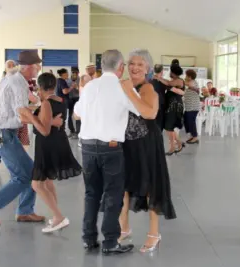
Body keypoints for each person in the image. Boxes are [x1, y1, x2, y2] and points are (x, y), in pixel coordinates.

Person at [0, 50, 46, 226]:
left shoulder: (16, 79)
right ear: (29, 66)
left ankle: (25, 211)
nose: (39, 69)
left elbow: (20, 109)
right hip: (2, 134)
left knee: (26, 173)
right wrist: (42, 124)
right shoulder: (18, 82)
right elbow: (21, 113)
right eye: (37, 66)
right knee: (27, 175)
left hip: (4, 133)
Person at [74, 49, 135, 255]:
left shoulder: (90, 86)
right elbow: (142, 110)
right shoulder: (122, 88)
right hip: (111, 148)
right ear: (121, 67)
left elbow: (77, 113)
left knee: (91, 193)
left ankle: (88, 238)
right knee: (113, 195)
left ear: (101, 67)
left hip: (88, 147)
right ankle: (110, 241)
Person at [118, 49, 176, 253]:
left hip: (146, 143)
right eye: (131, 63)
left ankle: (154, 233)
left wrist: (128, 91)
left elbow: (150, 113)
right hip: (126, 142)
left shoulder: (148, 88)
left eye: (140, 65)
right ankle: (123, 227)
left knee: (151, 187)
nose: (134, 67)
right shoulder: (123, 84)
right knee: (123, 184)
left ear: (148, 69)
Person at [18, 73, 82, 233]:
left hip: (47, 145)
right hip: (58, 143)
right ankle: (56, 216)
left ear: (40, 87)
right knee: (47, 182)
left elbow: (44, 130)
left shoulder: (46, 103)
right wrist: (32, 117)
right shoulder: (60, 100)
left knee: (36, 184)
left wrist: (31, 118)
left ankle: (59, 217)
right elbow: (46, 121)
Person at [154, 62, 185, 155]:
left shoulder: (178, 81)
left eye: (171, 72)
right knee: (168, 127)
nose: (169, 73)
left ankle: (173, 147)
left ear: (174, 73)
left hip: (174, 106)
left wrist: (158, 77)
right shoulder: (176, 80)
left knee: (169, 127)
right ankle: (179, 144)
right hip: (171, 106)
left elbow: (168, 83)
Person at [183, 69, 201, 144]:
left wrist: (180, 81)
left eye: (186, 75)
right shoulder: (189, 82)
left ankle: (195, 137)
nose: (185, 76)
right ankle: (191, 135)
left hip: (193, 107)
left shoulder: (192, 82)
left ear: (190, 77)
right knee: (186, 120)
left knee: (191, 121)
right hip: (189, 107)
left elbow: (189, 84)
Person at [150, 64, 167, 131]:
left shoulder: (149, 80)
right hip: (160, 105)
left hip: (152, 105)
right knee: (159, 125)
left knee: (153, 124)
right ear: (162, 71)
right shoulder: (163, 82)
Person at [67, 67, 81, 139]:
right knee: (69, 116)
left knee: (77, 115)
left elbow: (83, 91)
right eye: (73, 72)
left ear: (78, 72)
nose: (74, 74)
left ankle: (78, 132)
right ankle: (72, 131)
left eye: (76, 72)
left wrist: (77, 87)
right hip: (70, 99)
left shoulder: (81, 80)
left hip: (77, 99)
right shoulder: (68, 80)